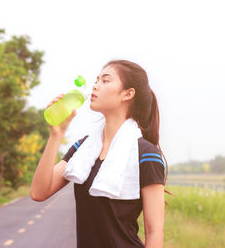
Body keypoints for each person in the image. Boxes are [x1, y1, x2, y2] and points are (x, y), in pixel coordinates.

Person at [30, 60, 168, 248]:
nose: (95, 85)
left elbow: (154, 232)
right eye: (96, 80)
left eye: (105, 81)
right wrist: (56, 135)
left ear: (128, 94)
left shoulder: (146, 155)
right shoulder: (83, 149)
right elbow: (39, 192)